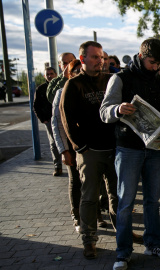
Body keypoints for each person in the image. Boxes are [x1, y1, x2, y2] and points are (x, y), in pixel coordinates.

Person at [100, 38, 160, 270]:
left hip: (154, 148)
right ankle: (123, 253)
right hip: (128, 148)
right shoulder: (120, 78)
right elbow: (104, 112)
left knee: (152, 201)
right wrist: (118, 109)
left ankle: (152, 243)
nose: (156, 67)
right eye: (153, 62)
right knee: (125, 203)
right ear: (141, 56)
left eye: (159, 64)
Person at [60, 41, 118, 260]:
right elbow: (67, 118)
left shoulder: (110, 81)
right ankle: (89, 240)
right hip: (90, 151)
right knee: (90, 197)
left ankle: (122, 232)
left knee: (116, 195)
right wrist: (80, 147)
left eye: (101, 57)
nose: (100, 61)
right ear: (82, 59)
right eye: (95, 57)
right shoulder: (74, 85)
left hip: (112, 149)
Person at [51, 60, 83, 232]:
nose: (78, 72)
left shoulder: (90, 89)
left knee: (94, 182)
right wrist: (63, 150)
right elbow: (56, 123)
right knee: (76, 180)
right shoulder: (61, 92)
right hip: (71, 146)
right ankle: (76, 216)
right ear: (69, 74)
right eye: (75, 70)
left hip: (90, 145)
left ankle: (97, 215)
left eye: (80, 69)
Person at [33, 67, 63, 176]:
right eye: (47, 74)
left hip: (62, 118)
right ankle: (57, 166)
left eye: (51, 73)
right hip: (49, 120)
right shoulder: (40, 89)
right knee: (54, 143)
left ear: (56, 74)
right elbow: (36, 106)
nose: (49, 76)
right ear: (44, 76)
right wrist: (43, 119)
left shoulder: (60, 85)